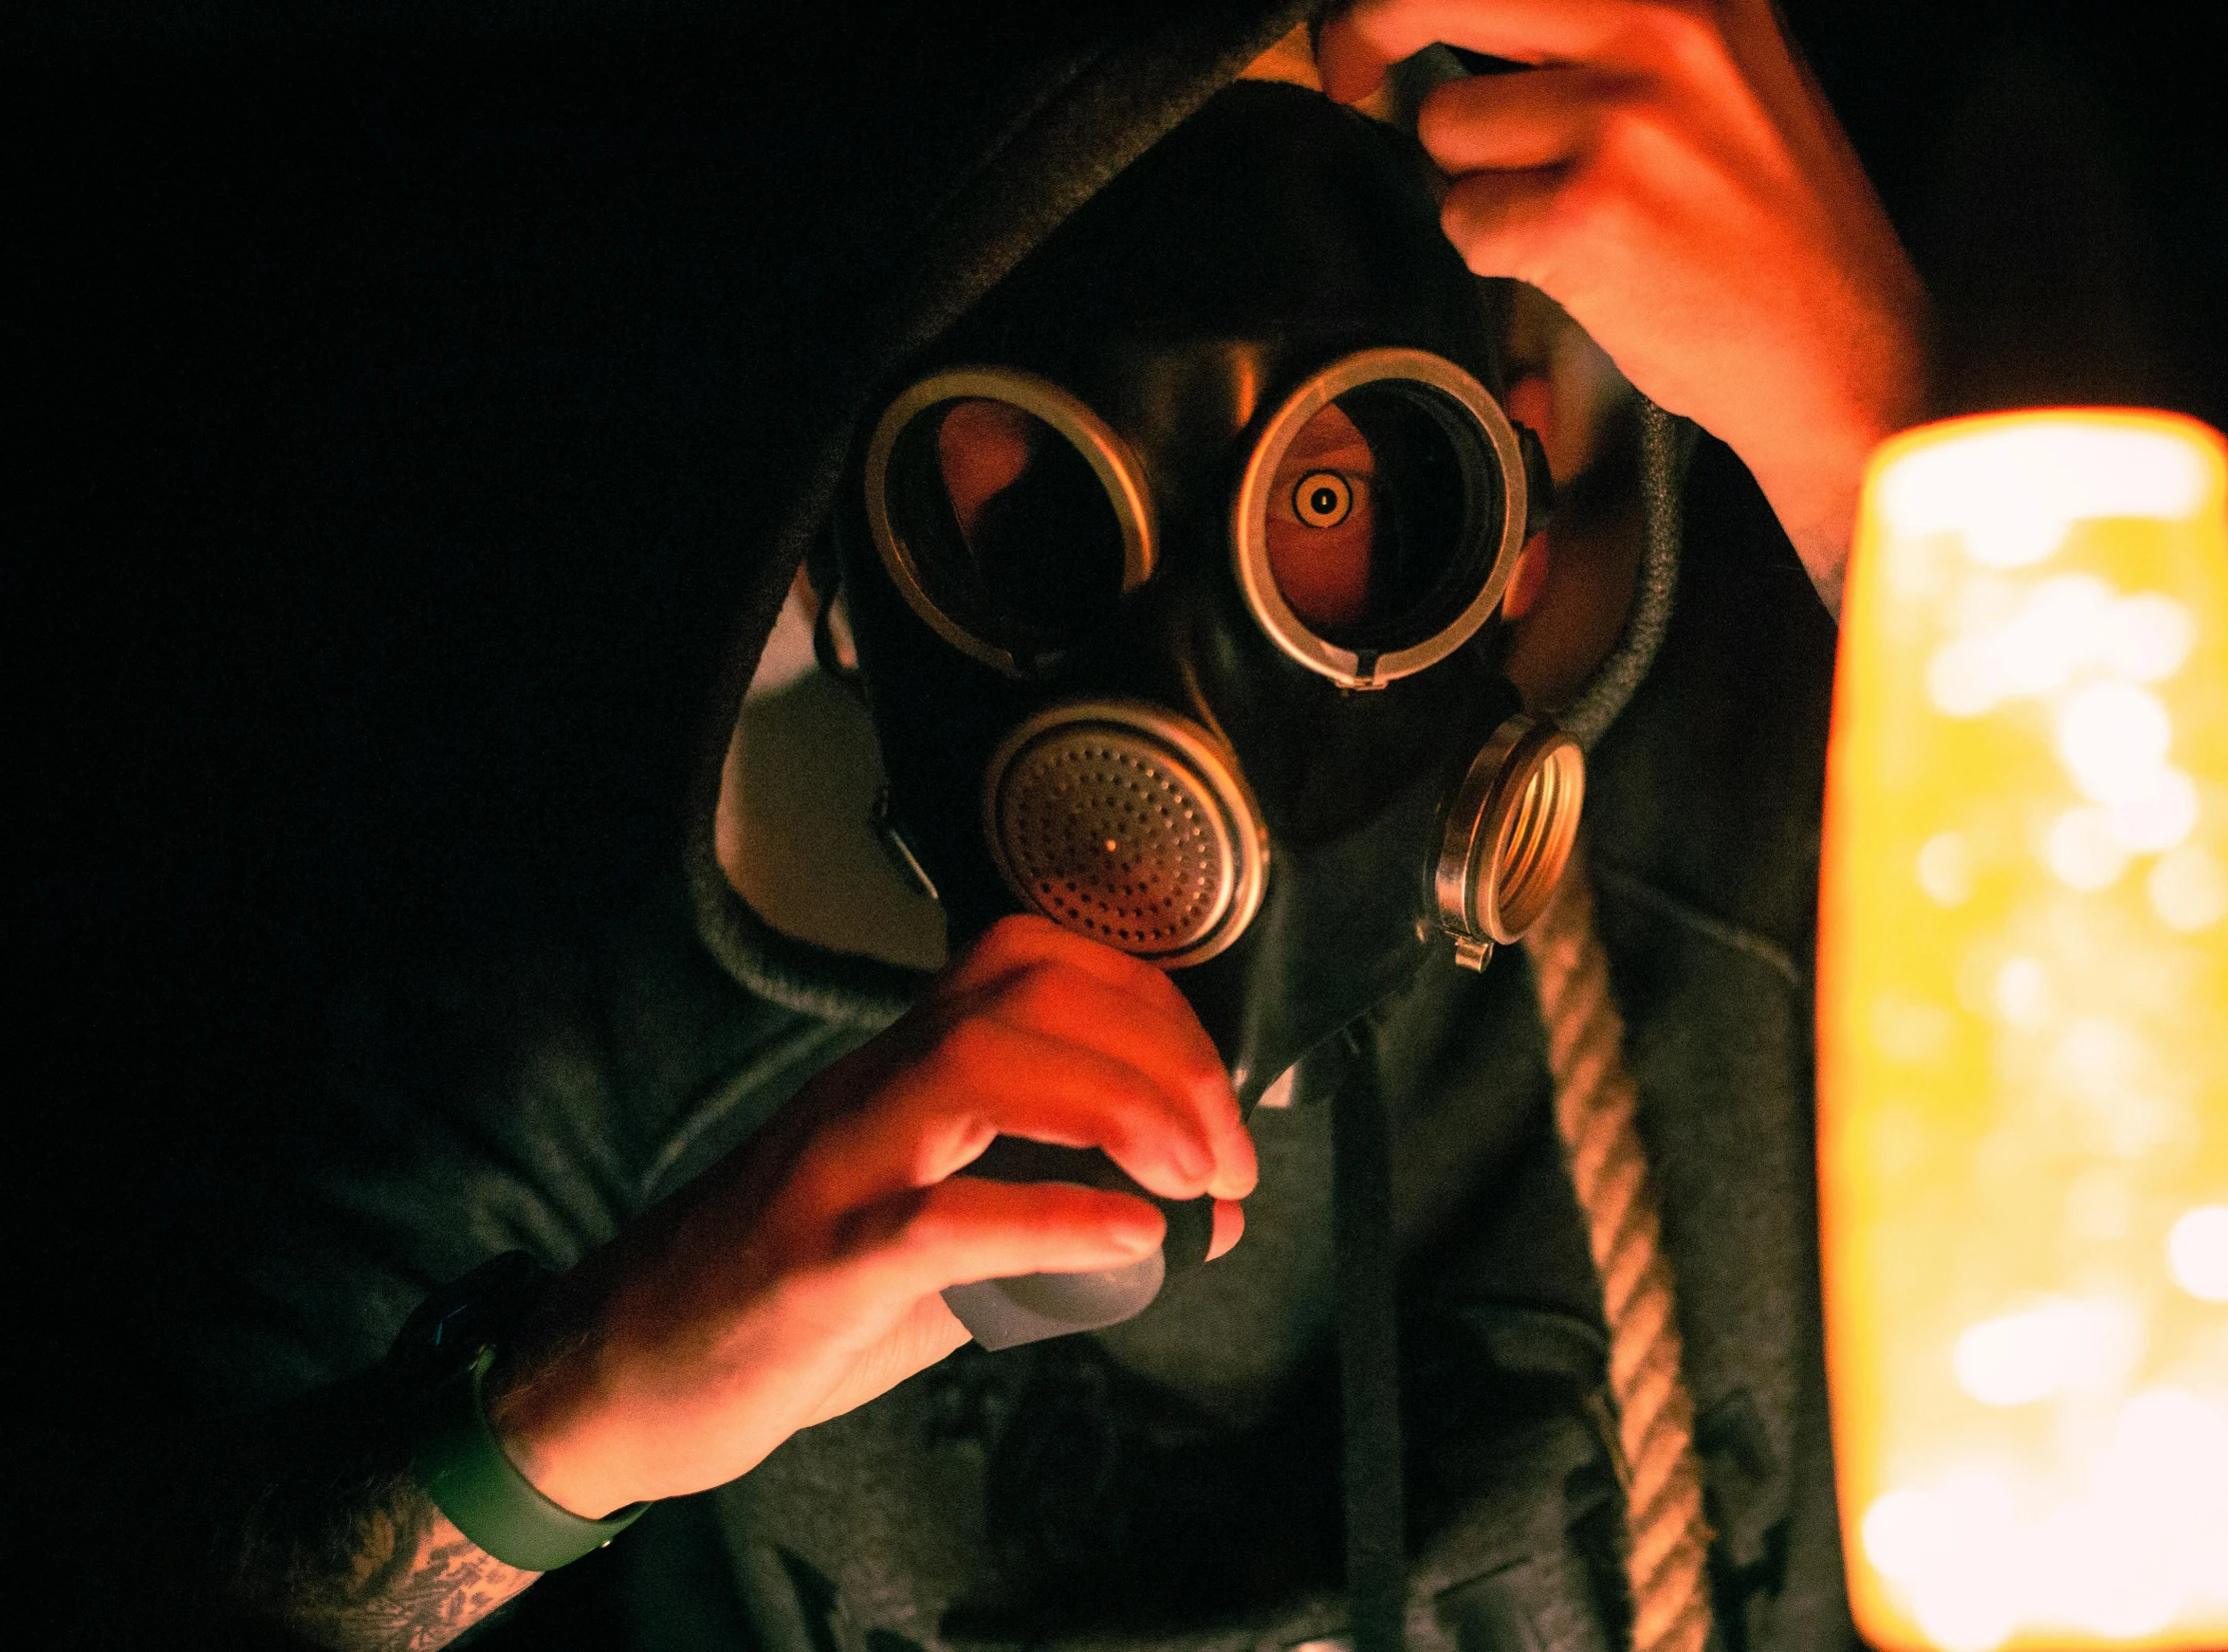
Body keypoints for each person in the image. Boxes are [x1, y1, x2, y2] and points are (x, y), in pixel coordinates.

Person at [39, 1, 1926, 1647]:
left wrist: (1901, 459)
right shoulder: (616, 1060)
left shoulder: (1853, 840)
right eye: (1039, 521)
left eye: (1328, 503)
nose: (1184, 701)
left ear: (1506, 513)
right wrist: (575, 1407)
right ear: (836, 578)